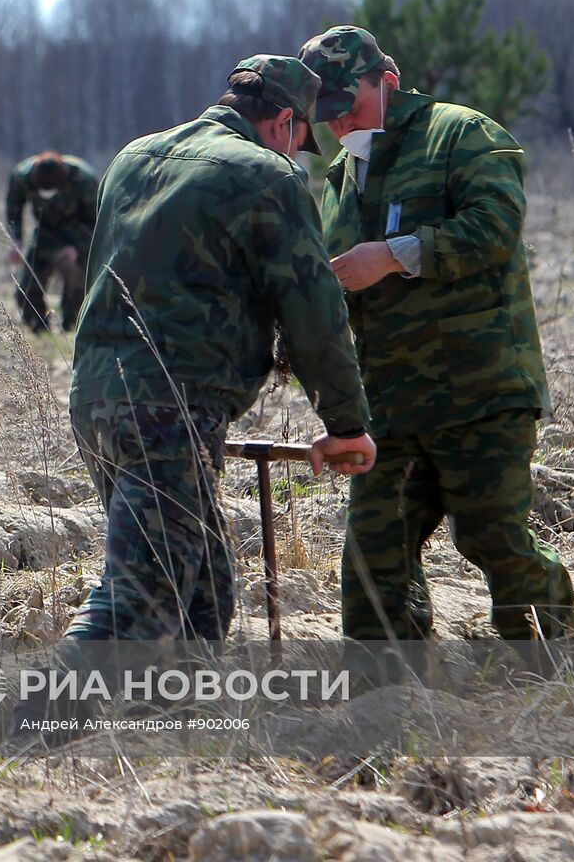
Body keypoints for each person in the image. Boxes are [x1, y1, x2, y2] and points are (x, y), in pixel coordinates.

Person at [64, 55, 376, 651]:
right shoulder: (268, 177)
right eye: (301, 141)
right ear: (284, 122)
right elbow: (315, 316)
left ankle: (178, 726)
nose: (297, 156)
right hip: (169, 408)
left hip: (96, 397)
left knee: (203, 587)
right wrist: (347, 425)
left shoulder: (133, 157)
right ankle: (25, 723)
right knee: (140, 597)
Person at [297, 25, 574, 670]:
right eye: (327, 116)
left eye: (351, 106)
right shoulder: (341, 179)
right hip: (389, 407)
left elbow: (497, 226)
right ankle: (385, 694)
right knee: (375, 550)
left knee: (493, 539)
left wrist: (396, 256)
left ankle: (552, 669)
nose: (340, 126)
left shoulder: (460, 134)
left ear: (387, 81)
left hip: (479, 391)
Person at [5, 151, 99, 333]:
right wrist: (16, 240)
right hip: (45, 232)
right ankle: (39, 330)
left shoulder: (82, 179)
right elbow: (14, 209)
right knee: (27, 289)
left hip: (77, 231)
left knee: (77, 287)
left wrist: (78, 248)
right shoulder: (21, 177)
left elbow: (97, 220)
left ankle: (72, 328)